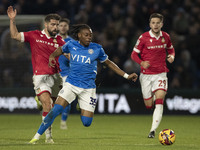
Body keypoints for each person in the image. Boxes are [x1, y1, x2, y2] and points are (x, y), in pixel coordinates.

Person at [29, 24, 138, 144]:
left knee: (86, 123)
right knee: (55, 110)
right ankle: (36, 136)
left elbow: (109, 63)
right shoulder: (71, 45)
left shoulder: (97, 49)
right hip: (71, 85)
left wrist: (126, 75)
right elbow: (60, 50)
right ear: (79, 35)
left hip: (88, 89)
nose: (89, 37)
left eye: (90, 35)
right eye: (86, 35)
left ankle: (81, 104)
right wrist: (52, 56)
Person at [7, 6, 65, 143]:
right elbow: (14, 35)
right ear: (46, 24)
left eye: (57, 24)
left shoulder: (60, 41)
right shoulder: (35, 35)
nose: (55, 27)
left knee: (55, 108)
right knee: (48, 104)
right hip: (40, 76)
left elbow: (69, 55)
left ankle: (39, 101)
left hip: (56, 77)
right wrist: (12, 20)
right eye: (53, 24)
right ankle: (48, 137)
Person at [131, 13, 175, 138]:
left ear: (162, 24)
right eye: (153, 23)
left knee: (160, 101)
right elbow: (133, 55)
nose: (155, 25)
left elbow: (171, 49)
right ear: (150, 24)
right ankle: (154, 98)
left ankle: (153, 131)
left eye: (158, 23)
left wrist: (171, 56)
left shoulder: (165, 36)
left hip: (161, 74)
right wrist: (141, 62)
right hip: (146, 76)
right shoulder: (143, 37)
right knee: (149, 105)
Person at [57, 18, 73, 130]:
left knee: (67, 99)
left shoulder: (72, 42)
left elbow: (75, 59)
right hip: (53, 73)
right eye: (61, 25)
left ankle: (63, 122)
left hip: (67, 74)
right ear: (57, 27)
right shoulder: (52, 40)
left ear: (68, 27)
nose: (63, 27)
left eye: (65, 25)